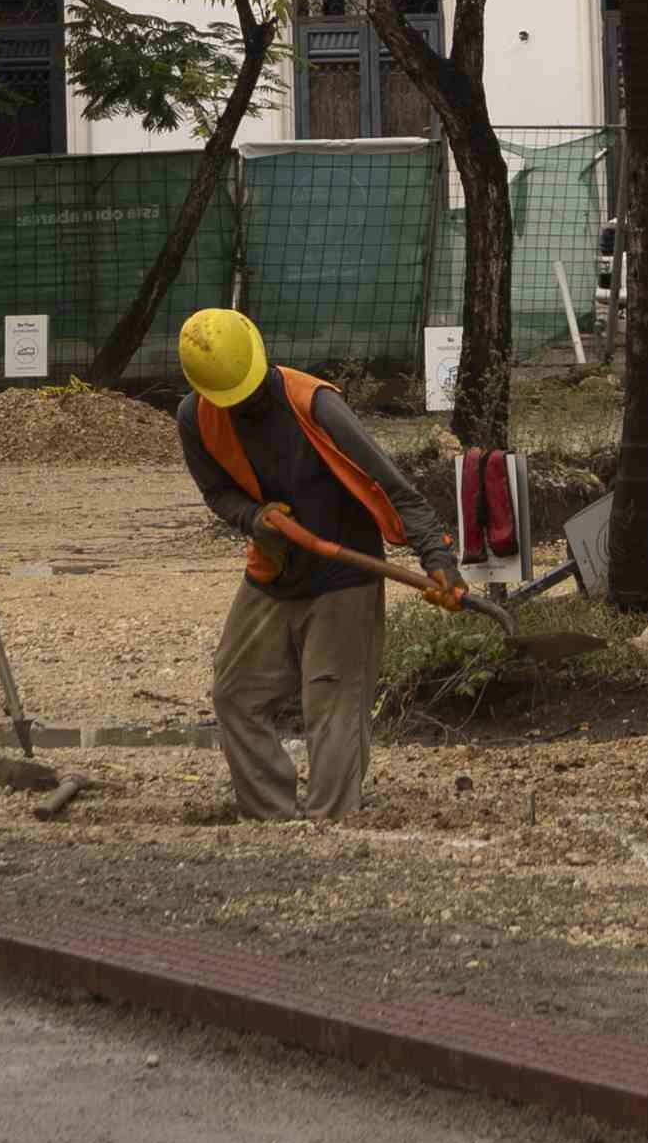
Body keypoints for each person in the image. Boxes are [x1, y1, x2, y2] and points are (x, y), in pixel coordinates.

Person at [171, 305, 458, 823]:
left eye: (253, 390)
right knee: (235, 693)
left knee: (333, 703)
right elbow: (218, 493)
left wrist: (437, 558)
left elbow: (398, 491)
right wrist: (255, 518)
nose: (248, 403)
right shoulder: (196, 417)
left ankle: (328, 825)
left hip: (344, 576)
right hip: (273, 570)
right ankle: (273, 818)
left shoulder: (316, 405)